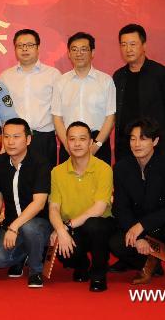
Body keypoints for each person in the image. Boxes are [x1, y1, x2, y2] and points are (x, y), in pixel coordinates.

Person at [109, 118, 165, 289]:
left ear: (155, 141)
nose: (137, 144)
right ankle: (148, 263)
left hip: (162, 223)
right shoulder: (122, 168)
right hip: (137, 225)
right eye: (133, 138)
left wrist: (142, 225)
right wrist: (138, 236)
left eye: (143, 138)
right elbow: (120, 207)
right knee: (115, 243)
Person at [48, 121, 115, 292]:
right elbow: (53, 207)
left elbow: (99, 209)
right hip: (73, 227)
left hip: (100, 225)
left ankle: (99, 273)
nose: (77, 144)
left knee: (94, 224)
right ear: (66, 142)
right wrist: (61, 231)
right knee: (61, 246)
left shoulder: (104, 169)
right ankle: (82, 264)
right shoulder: (57, 172)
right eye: (72, 139)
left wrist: (66, 226)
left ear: (91, 142)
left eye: (82, 139)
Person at [0, 118, 52, 288]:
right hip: (11, 222)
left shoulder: (40, 163)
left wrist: (14, 227)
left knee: (29, 227)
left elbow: (39, 204)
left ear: (28, 139)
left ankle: (36, 270)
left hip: (39, 222)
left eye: (16, 137)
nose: (10, 142)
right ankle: (25, 252)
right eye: (7, 137)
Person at [112, 24, 165, 160]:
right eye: (123, 45)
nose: (128, 49)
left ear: (144, 45)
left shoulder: (161, 73)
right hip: (126, 148)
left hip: (156, 147)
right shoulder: (118, 76)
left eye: (132, 44)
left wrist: (153, 136)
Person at [0, 29, 61, 167]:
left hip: (43, 138)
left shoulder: (53, 75)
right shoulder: (5, 77)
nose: (24, 49)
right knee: (17, 182)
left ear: (38, 47)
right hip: (15, 140)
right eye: (20, 46)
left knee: (45, 182)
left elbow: (60, 109)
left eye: (30, 45)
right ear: (15, 49)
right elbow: (1, 111)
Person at [52, 32, 116, 164]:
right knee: (67, 184)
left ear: (92, 52)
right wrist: (67, 144)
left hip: (98, 141)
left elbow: (110, 116)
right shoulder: (60, 81)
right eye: (74, 49)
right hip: (69, 142)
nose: (79, 53)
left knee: (99, 183)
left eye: (83, 49)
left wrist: (96, 145)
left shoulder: (105, 80)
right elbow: (57, 117)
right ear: (69, 54)